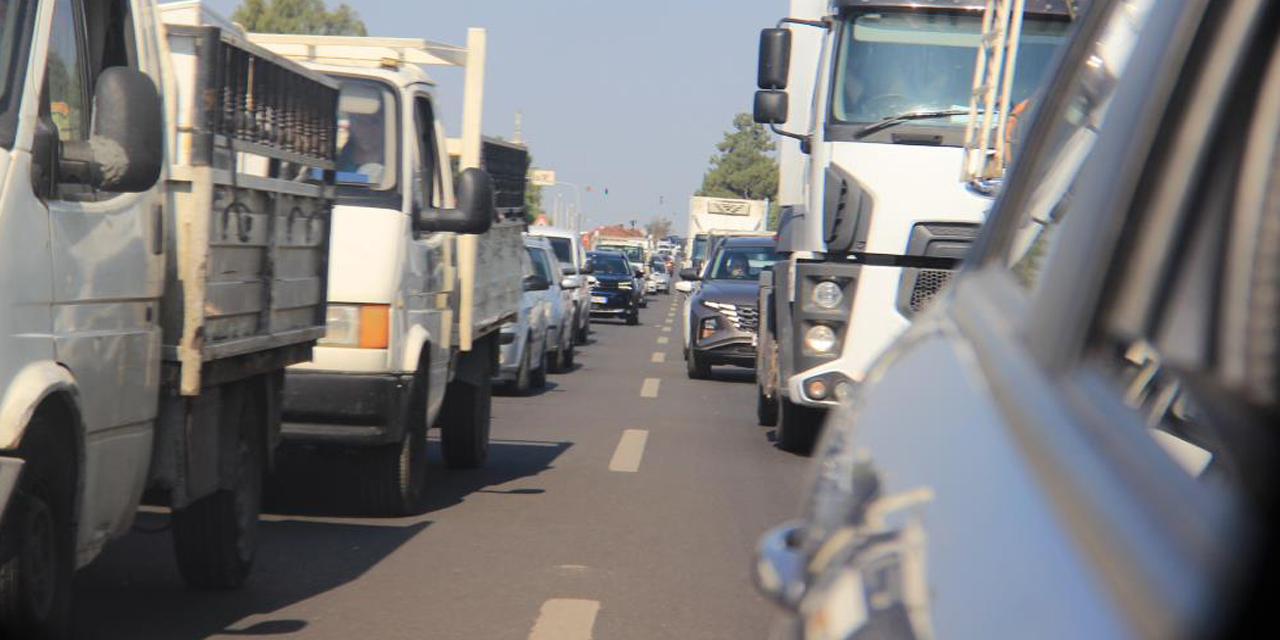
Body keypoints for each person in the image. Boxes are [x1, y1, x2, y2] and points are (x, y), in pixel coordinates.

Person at [336, 111, 385, 184]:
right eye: (362, 122)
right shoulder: (340, 160)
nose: (367, 130)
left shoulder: (395, 167)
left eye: (374, 122)